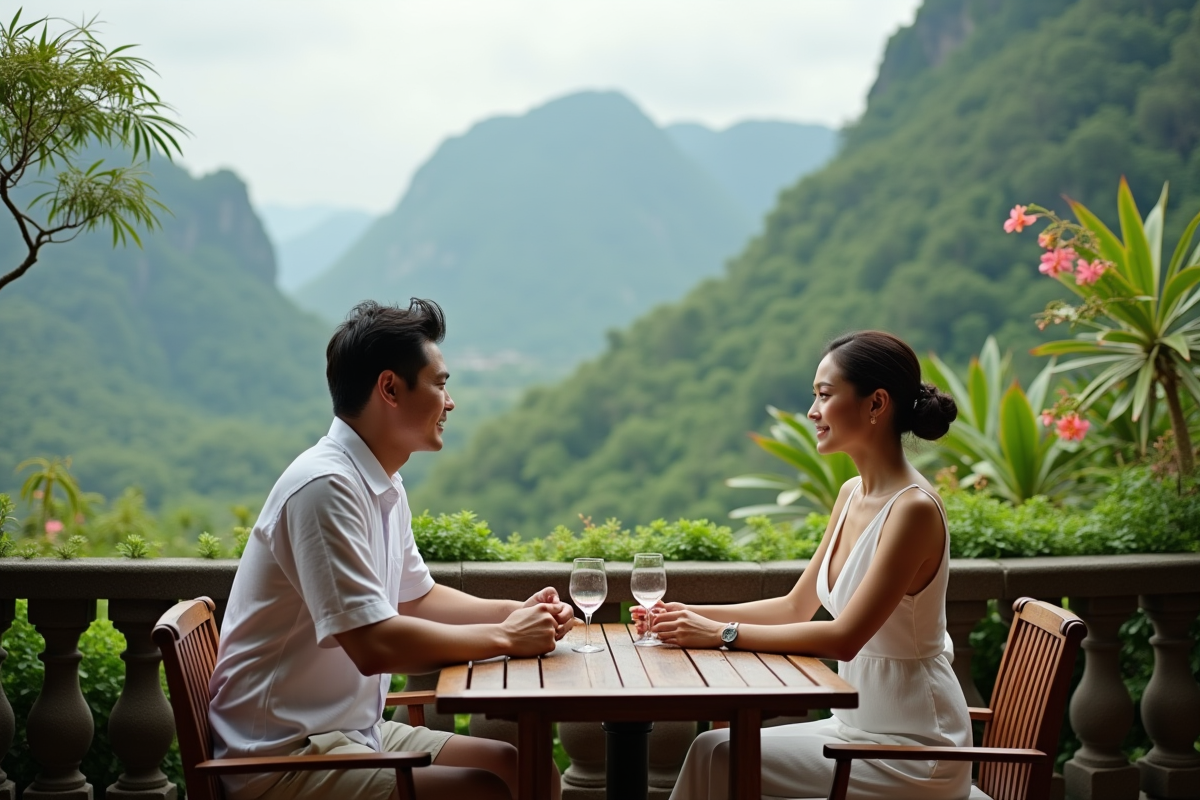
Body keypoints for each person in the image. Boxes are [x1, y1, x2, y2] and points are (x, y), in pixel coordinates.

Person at [208, 298, 574, 800]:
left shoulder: (381, 482)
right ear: (390, 388)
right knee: (482, 790)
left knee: (525, 769)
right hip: (285, 757)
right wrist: (506, 638)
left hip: (352, 734)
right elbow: (372, 643)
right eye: (440, 383)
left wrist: (517, 612)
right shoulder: (324, 486)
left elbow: (414, 598)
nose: (450, 402)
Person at [641, 330, 971, 800]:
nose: (813, 412)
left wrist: (721, 634)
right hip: (853, 731)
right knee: (710, 747)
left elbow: (845, 637)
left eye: (824, 395)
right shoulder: (852, 494)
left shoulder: (913, 509)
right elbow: (796, 606)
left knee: (719, 756)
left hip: (913, 751)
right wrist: (685, 614)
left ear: (876, 404)